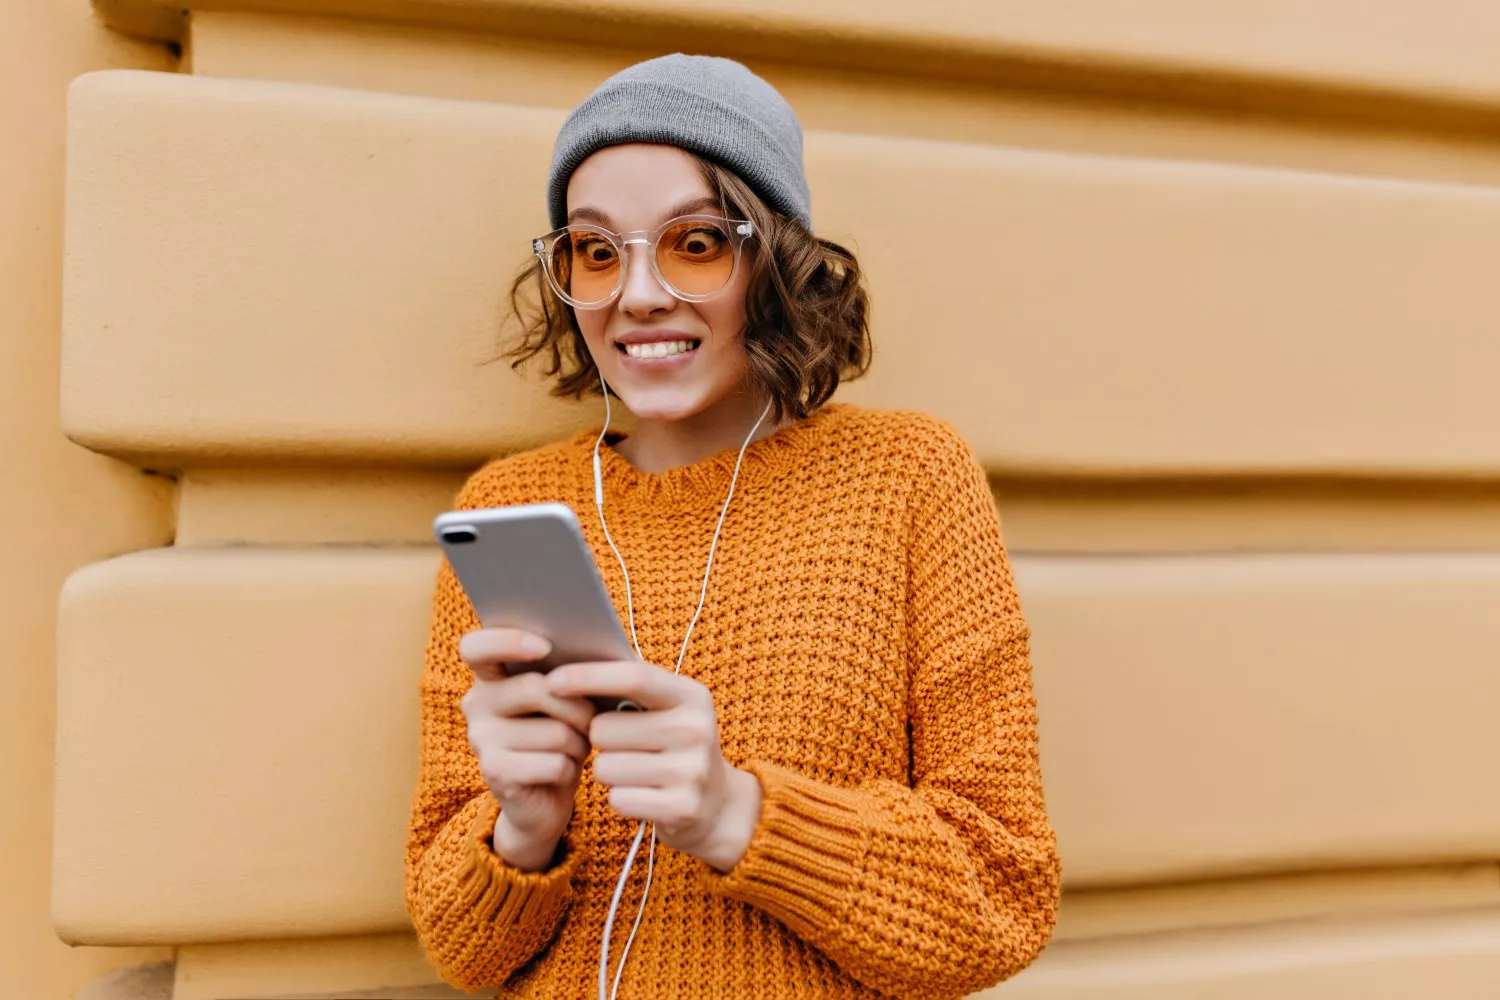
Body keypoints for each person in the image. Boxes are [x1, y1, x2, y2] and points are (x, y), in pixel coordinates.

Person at [404, 54, 1061, 1000]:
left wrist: (737, 815)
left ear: (776, 260)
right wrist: (524, 830)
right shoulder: (506, 507)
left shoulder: (910, 477)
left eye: (695, 243)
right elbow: (462, 951)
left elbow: (1001, 899)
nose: (637, 296)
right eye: (595, 251)